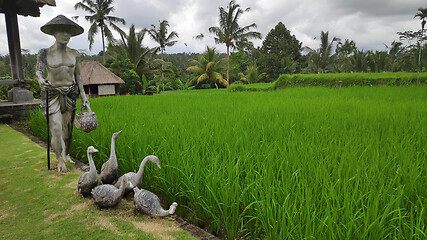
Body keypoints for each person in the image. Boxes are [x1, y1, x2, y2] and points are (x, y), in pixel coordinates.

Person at [36, 15, 89, 172]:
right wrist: (40, 81)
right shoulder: (44, 53)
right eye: (62, 31)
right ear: (54, 33)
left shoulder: (75, 54)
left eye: (68, 32)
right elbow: (39, 72)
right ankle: (60, 159)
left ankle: (66, 155)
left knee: (68, 130)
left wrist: (84, 97)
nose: (65, 35)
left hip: (70, 93)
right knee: (56, 128)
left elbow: (78, 76)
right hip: (52, 94)